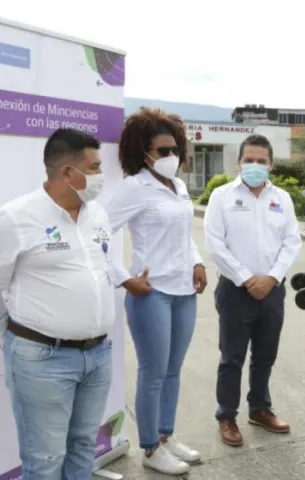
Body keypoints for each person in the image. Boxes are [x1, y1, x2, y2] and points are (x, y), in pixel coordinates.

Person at [0, 128, 115, 480]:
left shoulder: (97, 214)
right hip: (42, 360)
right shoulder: (15, 218)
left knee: (82, 447)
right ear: (67, 172)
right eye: (94, 168)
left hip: (97, 355)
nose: (100, 177)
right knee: (45, 460)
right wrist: (15, 334)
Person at [106, 108, 207, 475]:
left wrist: (197, 260)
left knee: (173, 371)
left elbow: (182, 234)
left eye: (174, 149)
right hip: (152, 295)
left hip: (184, 291)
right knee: (153, 373)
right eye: (162, 150)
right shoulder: (134, 188)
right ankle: (150, 449)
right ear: (143, 151)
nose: (171, 157)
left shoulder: (177, 186)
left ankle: (166, 436)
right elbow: (95, 234)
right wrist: (123, 276)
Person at [203, 133, 303, 447]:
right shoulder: (221, 196)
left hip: (272, 291)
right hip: (235, 290)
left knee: (265, 355)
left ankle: (259, 408)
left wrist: (271, 278)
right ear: (239, 162)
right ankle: (227, 415)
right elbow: (215, 245)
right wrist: (247, 279)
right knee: (231, 357)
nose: (255, 165)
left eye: (261, 161)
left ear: (271, 164)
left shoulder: (281, 199)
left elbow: (292, 242)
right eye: (249, 160)